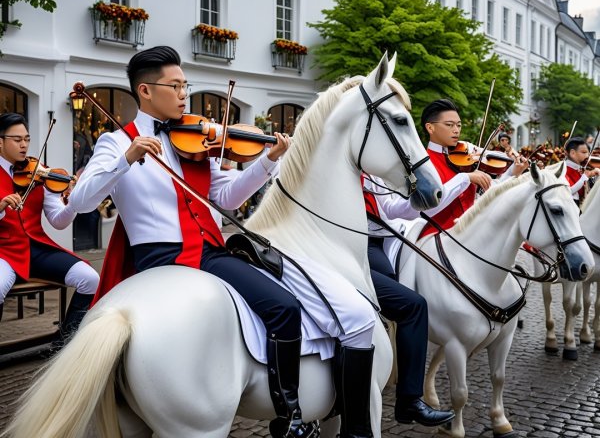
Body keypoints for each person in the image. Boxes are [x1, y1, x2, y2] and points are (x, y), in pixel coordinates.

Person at [69, 46, 377, 438]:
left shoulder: (197, 142)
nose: (184, 94)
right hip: (160, 257)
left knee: (282, 305)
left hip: (209, 252)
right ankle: (293, 416)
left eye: (185, 85)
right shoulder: (114, 143)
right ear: (145, 91)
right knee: (283, 307)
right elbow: (82, 201)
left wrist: (267, 162)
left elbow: (228, 198)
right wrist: (126, 159)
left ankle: (290, 414)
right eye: (176, 85)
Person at [362, 174, 455, 427]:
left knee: (408, 302)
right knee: (411, 305)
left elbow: (389, 209)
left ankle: (408, 398)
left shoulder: (371, 171)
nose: (457, 130)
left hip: (383, 240)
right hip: (355, 243)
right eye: (451, 128)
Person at [0, 112, 99, 346]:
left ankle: (64, 344)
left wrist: (73, 202)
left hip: (36, 248)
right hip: (3, 252)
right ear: (0, 141)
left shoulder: (40, 172)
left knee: (91, 279)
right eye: (17, 139)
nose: (24, 145)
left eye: (27, 139)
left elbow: (58, 221)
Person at [419, 99, 527, 237]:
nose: (456, 130)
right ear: (430, 128)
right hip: (435, 240)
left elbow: (491, 191)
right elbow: (427, 207)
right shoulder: (423, 164)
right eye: (449, 125)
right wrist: (465, 178)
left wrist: (513, 172)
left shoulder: (466, 156)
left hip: (469, 238)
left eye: (459, 125)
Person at [564, 136, 600, 205]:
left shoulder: (580, 168)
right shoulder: (563, 169)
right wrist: (585, 176)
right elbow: (569, 191)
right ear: (573, 153)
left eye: (588, 153)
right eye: (584, 152)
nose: (587, 156)